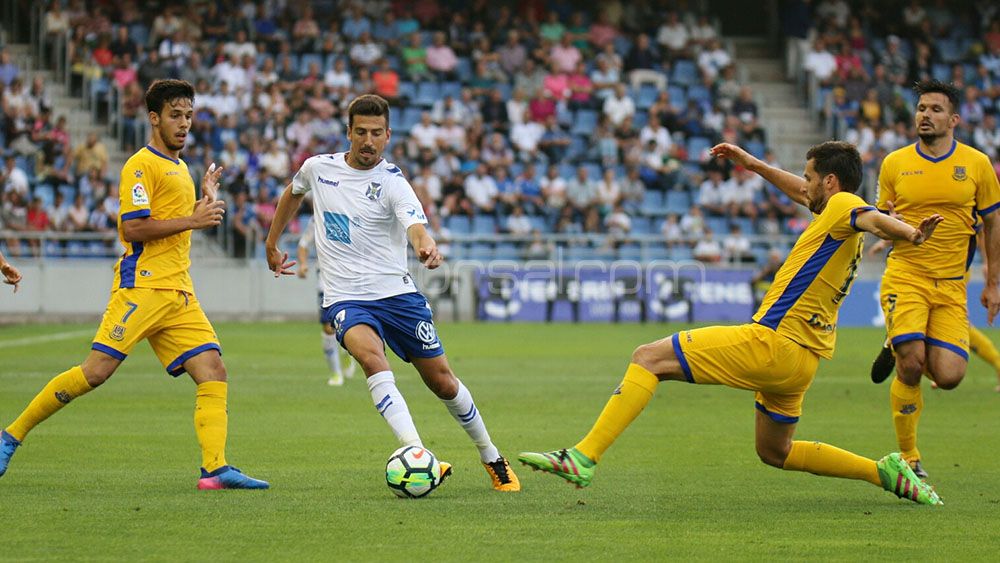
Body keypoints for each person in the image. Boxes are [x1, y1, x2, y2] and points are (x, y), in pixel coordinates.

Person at [519, 141, 945, 506]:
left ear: (830, 182)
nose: (804, 184)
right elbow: (810, 196)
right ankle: (885, 472)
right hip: (802, 362)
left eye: (810, 176)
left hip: (773, 342)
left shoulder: (844, 205)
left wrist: (909, 234)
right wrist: (754, 165)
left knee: (647, 357)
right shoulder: (833, 216)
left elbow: (871, 217)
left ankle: (583, 456)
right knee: (775, 451)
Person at [0, 80, 268, 490]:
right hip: (142, 287)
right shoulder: (139, 165)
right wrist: (196, 219)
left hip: (178, 293)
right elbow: (135, 227)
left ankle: (215, 469)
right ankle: (10, 435)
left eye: (189, 116)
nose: (184, 124)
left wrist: (202, 201)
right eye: (175, 115)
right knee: (94, 373)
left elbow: (176, 223)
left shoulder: (181, 168)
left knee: (213, 370)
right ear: (154, 118)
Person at [265, 94, 520, 492]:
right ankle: (417, 452)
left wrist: (425, 244)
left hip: (398, 297)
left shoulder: (392, 182)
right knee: (371, 359)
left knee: (443, 382)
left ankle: (491, 455)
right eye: (361, 132)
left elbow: (416, 225)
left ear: (388, 136)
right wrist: (271, 242)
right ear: (348, 132)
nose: (368, 140)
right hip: (345, 298)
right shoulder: (318, 168)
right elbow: (292, 193)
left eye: (376, 133)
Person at [872, 80, 1000, 478]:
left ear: (954, 119)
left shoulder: (977, 164)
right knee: (912, 363)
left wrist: (993, 282)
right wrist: (890, 223)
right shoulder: (894, 163)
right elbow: (878, 222)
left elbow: (993, 223)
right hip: (906, 275)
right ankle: (909, 457)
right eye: (921, 108)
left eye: (935, 109)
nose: (925, 115)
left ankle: (896, 341)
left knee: (949, 376)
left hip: (951, 285)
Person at [869, 238, 1000, 393]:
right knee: (946, 322)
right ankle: (936, 363)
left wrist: (987, 262)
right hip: (932, 264)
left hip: (954, 266)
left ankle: (915, 349)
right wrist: (886, 240)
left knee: (958, 324)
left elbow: (986, 225)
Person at [296, 214, 358, 386]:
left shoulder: (350, 211)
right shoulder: (317, 218)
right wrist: (302, 264)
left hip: (352, 280)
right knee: (328, 327)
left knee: (351, 326)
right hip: (326, 281)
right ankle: (336, 373)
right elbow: (303, 245)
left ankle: (348, 352)